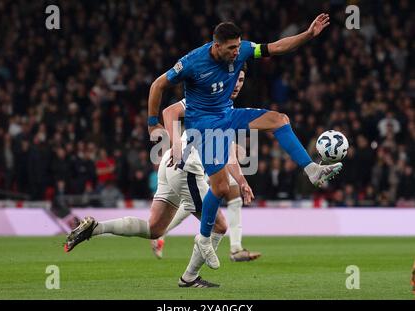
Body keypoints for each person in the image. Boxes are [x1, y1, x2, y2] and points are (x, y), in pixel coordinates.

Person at [147, 14, 342, 269]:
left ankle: (312, 170)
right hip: (203, 127)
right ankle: (204, 239)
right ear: (216, 46)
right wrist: (153, 123)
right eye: (231, 48)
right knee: (219, 188)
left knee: (279, 119)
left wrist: (307, 35)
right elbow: (157, 85)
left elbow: (277, 47)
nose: (236, 52)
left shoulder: (242, 51)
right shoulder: (193, 62)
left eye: (238, 46)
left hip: (227, 116)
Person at [64, 114, 253, 288]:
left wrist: (156, 124)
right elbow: (229, 153)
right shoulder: (221, 110)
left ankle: (96, 228)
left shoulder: (204, 98)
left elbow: (227, 153)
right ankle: (189, 277)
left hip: (171, 162)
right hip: (187, 168)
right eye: (238, 78)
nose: (237, 83)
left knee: (154, 229)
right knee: (219, 227)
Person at [151, 65, 261, 262]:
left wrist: (242, 178)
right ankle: (224, 251)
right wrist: (174, 144)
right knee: (207, 202)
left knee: (220, 194)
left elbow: (226, 147)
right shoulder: (207, 96)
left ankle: (234, 248)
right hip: (185, 164)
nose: (237, 84)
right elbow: (170, 112)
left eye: (241, 80)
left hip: (198, 164)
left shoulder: (227, 106)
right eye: (235, 78)